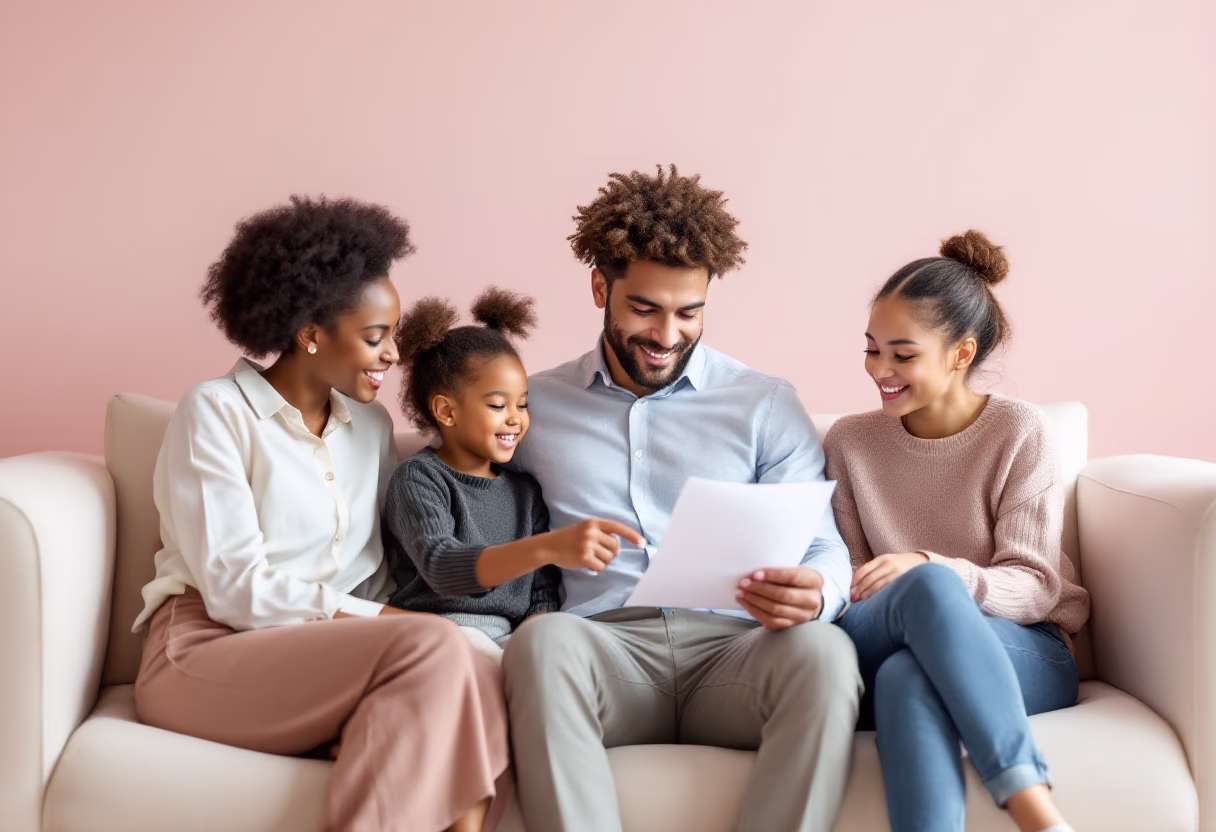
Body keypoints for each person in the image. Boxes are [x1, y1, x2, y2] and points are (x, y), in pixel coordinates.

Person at [131, 196, 509, 832]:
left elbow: (380, 569)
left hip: (331, 655)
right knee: (435, 650)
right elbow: (233, 589)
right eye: (373, 337)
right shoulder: (216, 412)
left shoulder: (370, 426)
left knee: (478, 665)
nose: (393, 354)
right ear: (309, 334)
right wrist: (391, 623)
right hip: (206, 649)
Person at [502, 165, 862, 832]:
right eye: (644, 308)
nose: (666, 335)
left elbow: (821, 541)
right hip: (602, 649)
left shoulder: (764, 402)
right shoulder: (532, 404)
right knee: (541, 644)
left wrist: (819, 590)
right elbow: (475, 504)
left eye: (688, 312)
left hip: (736, 653)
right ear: (599, 287)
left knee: (826, 654)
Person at [824, 230, 1090, 832]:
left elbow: (1036, 586)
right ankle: (1037, 812)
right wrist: (922, 578)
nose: (880, 370)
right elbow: (853, 583)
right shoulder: (850, 442)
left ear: (961, 354)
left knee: (910, 673)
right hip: (885, 630)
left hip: (1021, 647)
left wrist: (931, 564)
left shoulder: (1019, 431)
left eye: (902, 353)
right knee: (921, 601)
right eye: (871, 350)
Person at [382, 286, 644, 663]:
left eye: (522, 404)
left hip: (510, 642)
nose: (515, 418)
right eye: (496, 404)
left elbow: (541, 592)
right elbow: (442, 566)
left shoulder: (525, 493)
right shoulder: (419, 479)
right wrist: (549, 547)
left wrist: (534, 643)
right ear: (446, 411)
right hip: (441, 635)